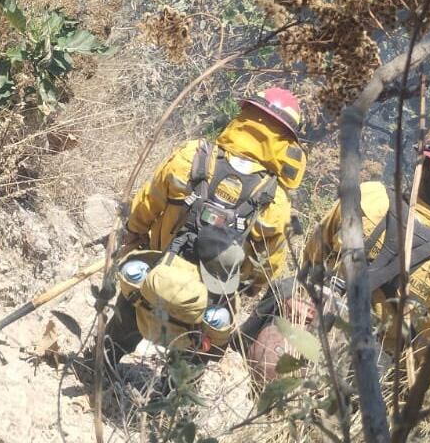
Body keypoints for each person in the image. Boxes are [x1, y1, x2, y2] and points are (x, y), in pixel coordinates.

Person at [252, 119, 430, 413]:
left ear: (426, 164)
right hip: (356, 393)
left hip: (286, 349)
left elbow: (313, 257)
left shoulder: (369, 196)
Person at [86, 88, 307, 375]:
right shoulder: (275, 199)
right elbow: (265, 267)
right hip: (210, 297)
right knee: (205, 343)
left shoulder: (194, 155)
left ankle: (100, 365)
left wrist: (132, 232)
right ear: (285, 140)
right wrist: (245, 286)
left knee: (129, 309)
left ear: (243, 116)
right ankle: (171, 401)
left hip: (155, 273)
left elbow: (147, 202)